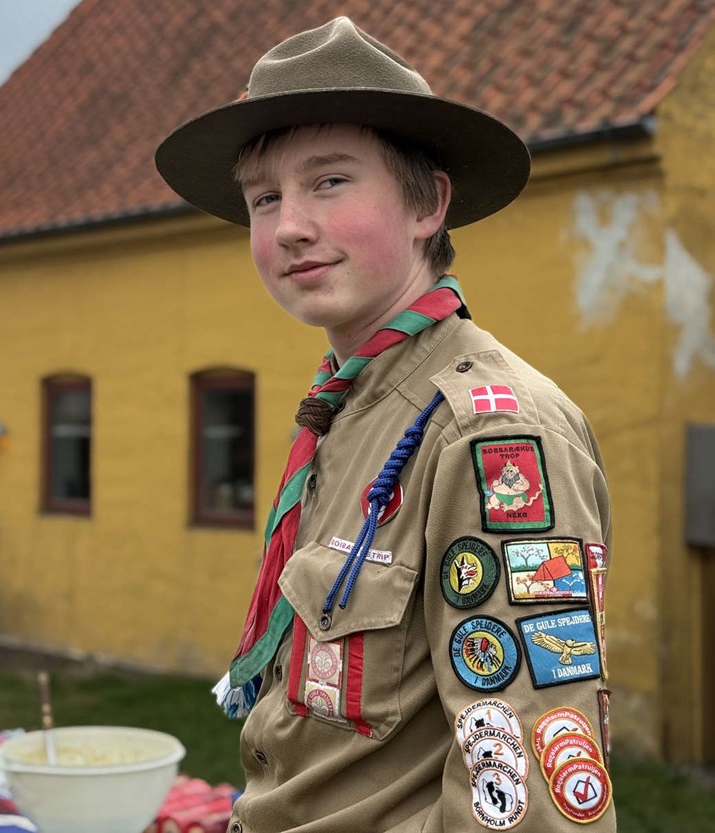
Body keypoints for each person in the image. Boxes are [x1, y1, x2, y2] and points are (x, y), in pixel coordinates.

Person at [156, 17, 614, 832]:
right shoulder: (352, 406)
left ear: (426, 204)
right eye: (265, 198)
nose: (289, 225)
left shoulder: (490, 436)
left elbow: (523, 802)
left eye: (330, 181)